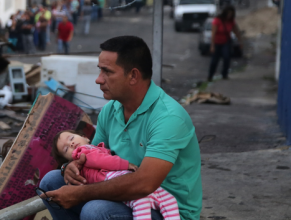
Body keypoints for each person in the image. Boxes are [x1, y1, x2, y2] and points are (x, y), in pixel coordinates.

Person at [39, 36, 201, 220]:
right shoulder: (110, 111)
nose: (98, 80)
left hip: (165, 209)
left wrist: (80, 194)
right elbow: (91, 157)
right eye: (100, 70)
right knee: (51, 182)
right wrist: (69, 167)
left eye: (107, 72)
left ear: (133, 75)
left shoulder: (168, 118)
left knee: (95, 210)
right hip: (126, 196)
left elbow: (144, 184)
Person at [50, 131, 180, 220]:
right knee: (143, 202)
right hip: (116, 180)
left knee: (157, 200)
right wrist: (126, 164)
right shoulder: (84, 151)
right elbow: (102, 160)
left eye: (71, 138)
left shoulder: (93, 147)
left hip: (132, 182)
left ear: (85, 137)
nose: (71, 144)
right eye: (66, 149)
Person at [208, 6, 241, 82]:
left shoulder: (231, 21)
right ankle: (210, 76)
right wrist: (212, 45)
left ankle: (224, 74)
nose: (229, 15)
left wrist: (240, 41)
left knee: (227, 57)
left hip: (226, 42)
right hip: (217, 42)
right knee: (214, 60)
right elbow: (213, 33)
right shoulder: (217, 20)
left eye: (231, 14)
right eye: (228, 14)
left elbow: (236, 31)